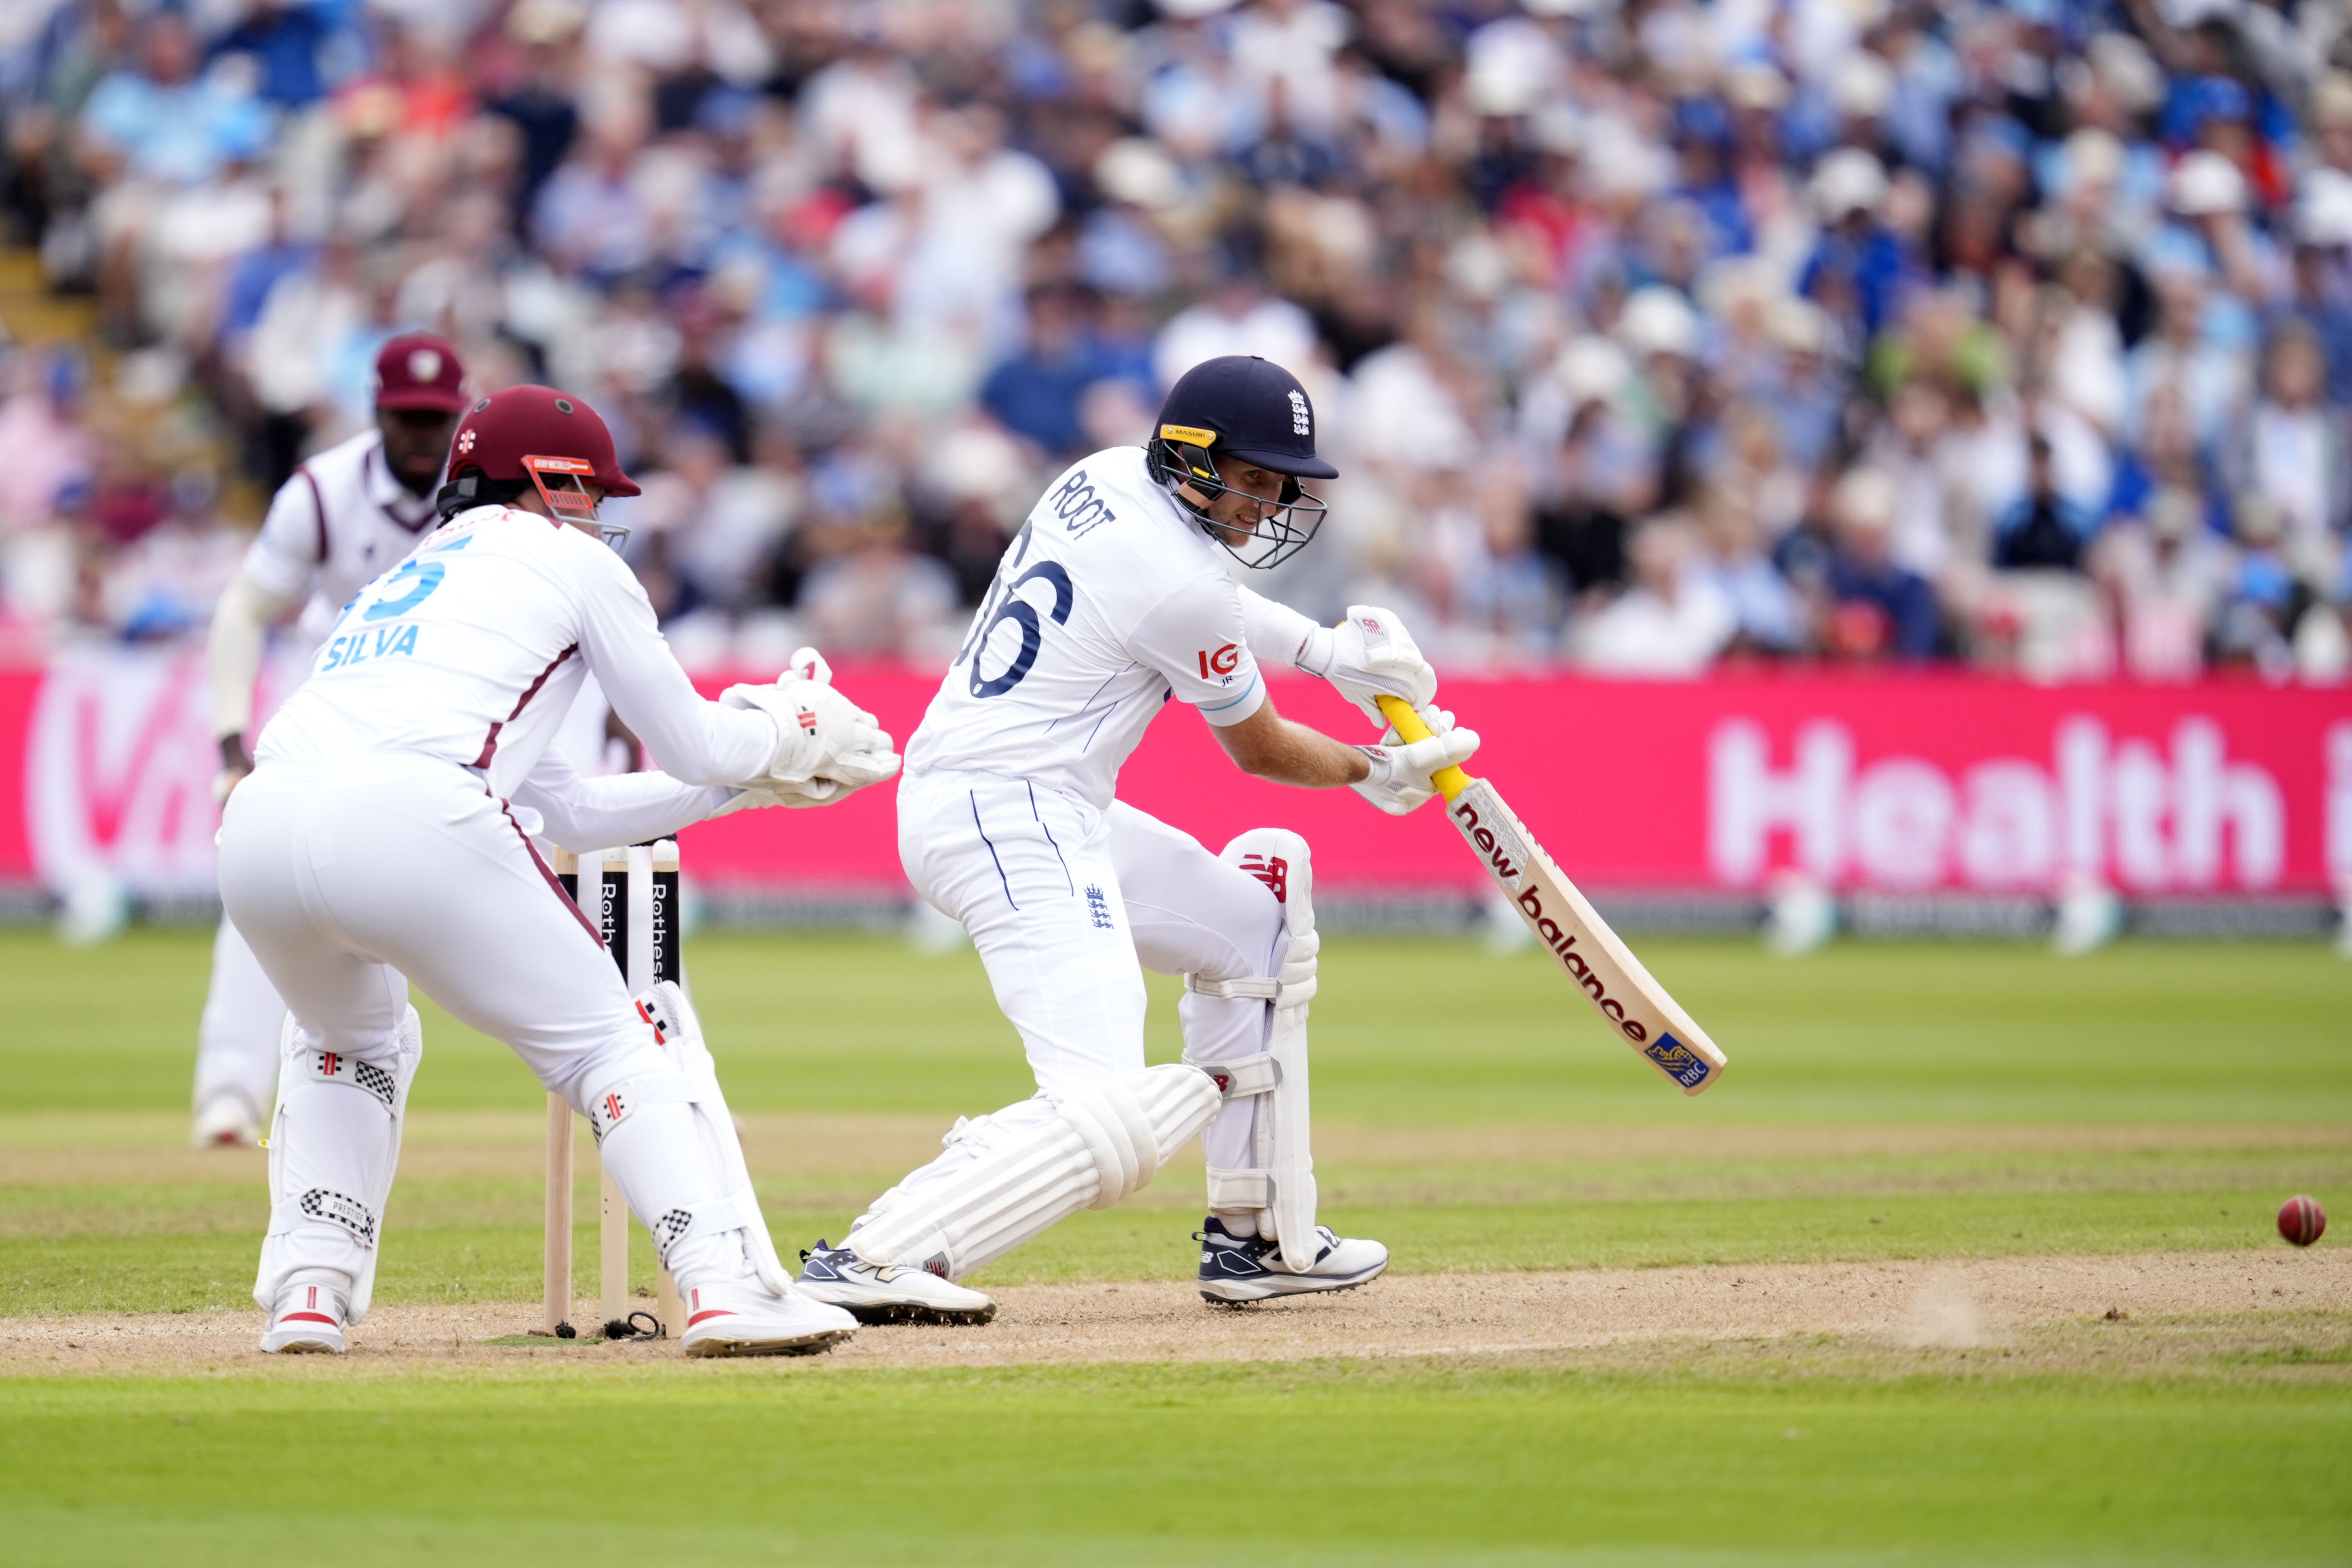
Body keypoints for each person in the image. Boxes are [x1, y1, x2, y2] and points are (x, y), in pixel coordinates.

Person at [791, 355, 1478, 1324]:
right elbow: (1262, 750)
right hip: (1008, 814)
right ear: (1192, 458)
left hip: (1034, 801)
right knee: (1107, 1103)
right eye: (1250, 479)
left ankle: (1260, 1238)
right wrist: (1375, 768)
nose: (1267, 502)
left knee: (1255, 932)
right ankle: (874, 1255)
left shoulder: (1106, 476)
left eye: (1280, 484)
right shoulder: (1180, 583)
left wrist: (1330, 654)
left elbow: (1208, 600)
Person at [218, 384, 896, 1356]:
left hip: (262, 826)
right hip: (415, 811)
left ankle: (309, 1293)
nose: (599, 516)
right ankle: (719, 1283)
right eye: (589, 493)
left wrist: (755, 789)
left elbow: (570, 805)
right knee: (611, 1049)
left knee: (346, 1038)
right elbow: (699, 745)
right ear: (548, 480)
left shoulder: (403, 579)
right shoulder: (569, 563)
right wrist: (781, 733)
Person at [193, 333, 471, 1147]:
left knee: (610, 869)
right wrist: (230, 744)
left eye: (437, 420)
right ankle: (228, 1092)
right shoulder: (322, 492)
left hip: (454, 712)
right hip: (336, 708)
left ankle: (663, 1069)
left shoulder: (485, 489)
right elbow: (244, 610)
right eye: (406, 418)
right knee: (257, 873)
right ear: (377, 413)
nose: (424, 436)